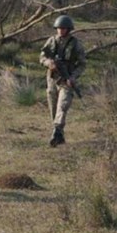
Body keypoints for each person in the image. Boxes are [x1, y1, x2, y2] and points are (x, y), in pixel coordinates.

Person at [39, 15, 86, 147]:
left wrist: (73, 77)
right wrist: (49, 63)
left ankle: (57, 131)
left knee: (62, 106)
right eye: (59, 28)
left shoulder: (75, 44)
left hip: (66, 79)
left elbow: (82, 64)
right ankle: (59, 134)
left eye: (63, 28)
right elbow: (42, 57)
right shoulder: (51, 41)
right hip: (52, 78)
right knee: (53, 107)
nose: (61, 30)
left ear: (69, 29)